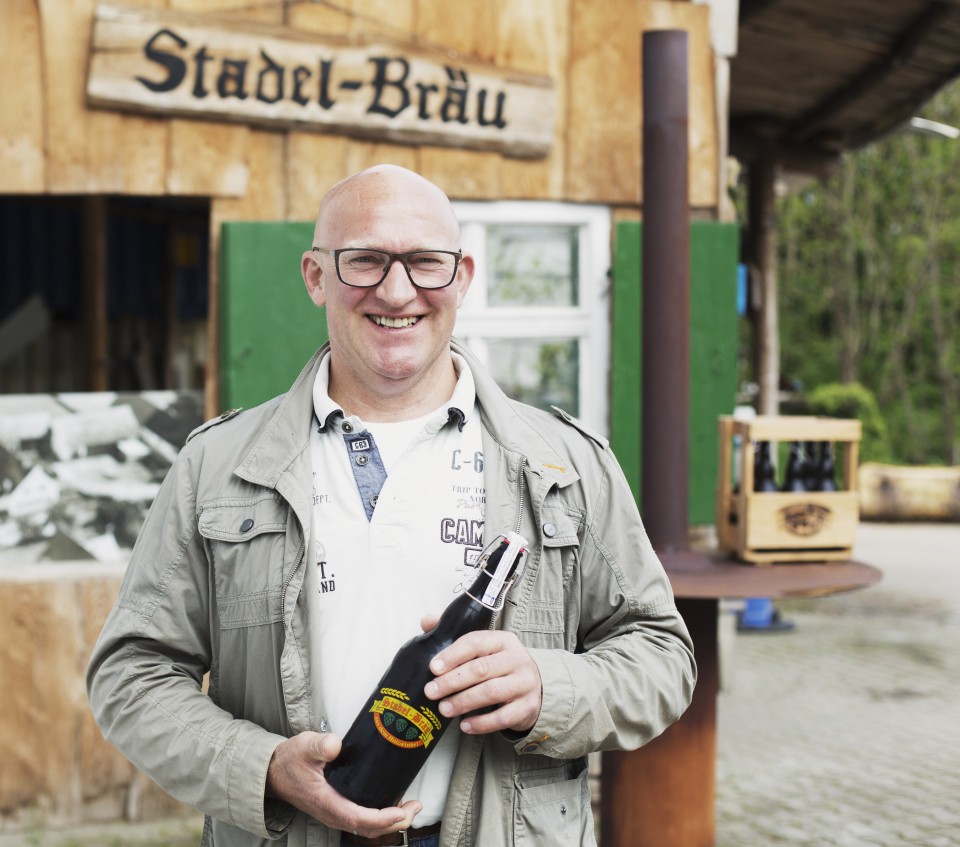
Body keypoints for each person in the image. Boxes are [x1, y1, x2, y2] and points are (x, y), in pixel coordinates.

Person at [87, 165, 695, 847]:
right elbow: (131, 673)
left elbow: (661, 655)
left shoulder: (567, 463)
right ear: (316, 275)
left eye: (425, 263)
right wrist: (263, 767)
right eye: (366, 260)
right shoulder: (216, 464)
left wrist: (548, 686)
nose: (397, 289)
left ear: (462, 276)